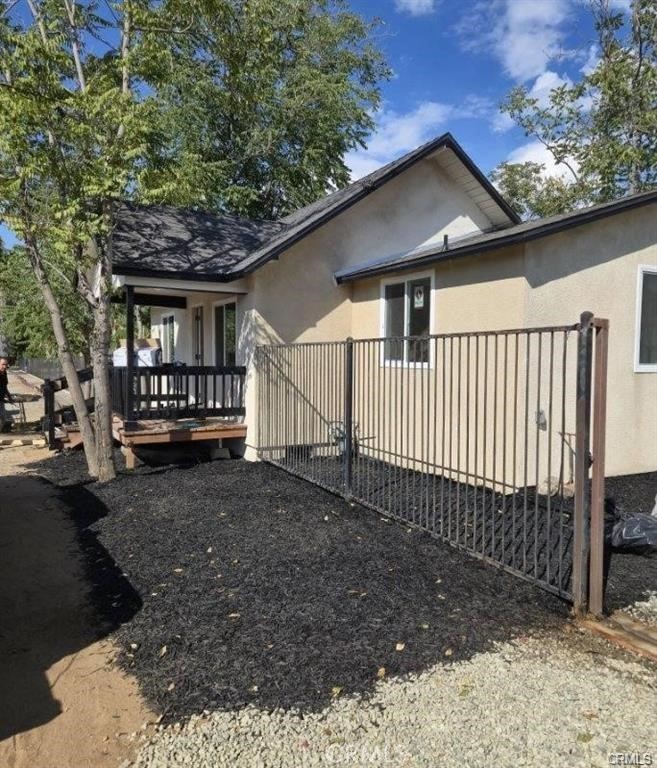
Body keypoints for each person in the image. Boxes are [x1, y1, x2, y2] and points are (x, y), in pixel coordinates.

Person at [0, 356, 14, 431]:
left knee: (3, 417)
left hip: (1, 399)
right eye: (3, 364)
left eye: (6, 365)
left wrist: (9, 397)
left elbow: (5, 387)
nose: (4, 366)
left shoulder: (4, 373)